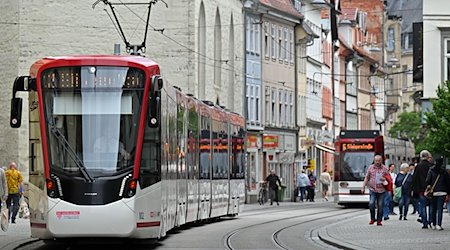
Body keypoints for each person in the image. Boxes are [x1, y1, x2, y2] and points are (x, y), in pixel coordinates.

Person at [361, 154, 389, 226]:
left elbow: (389, 178)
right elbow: (367, 177)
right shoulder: (370, 168)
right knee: (371, 203)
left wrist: (385, 179)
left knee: (380, 205)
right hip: (372, 189)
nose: (377, 162)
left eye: (379, 161)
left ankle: (379, 220)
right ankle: (372, 219)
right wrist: (363, 186)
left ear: (381, 161)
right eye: (376, 160)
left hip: (381, 190)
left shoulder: (385, 168)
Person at [425, 156, 450, 230]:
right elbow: (448, 182)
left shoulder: (431, 170)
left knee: (433, 208)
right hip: (442, 192)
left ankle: (433, 223)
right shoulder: (444, 171)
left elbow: (427, 180)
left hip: (434, 192)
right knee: (440, 209)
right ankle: (439, 224)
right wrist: (448, 192)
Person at [412, 150, 433, 229]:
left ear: (421, 157)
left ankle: (424, 223)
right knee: (431, 206)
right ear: (428, 157)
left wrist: (414, 189)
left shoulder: (418, 166)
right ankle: (430, 220)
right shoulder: (431, 166)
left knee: (423, 206)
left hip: (421, 190)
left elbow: (414, 178)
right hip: (430, 190)